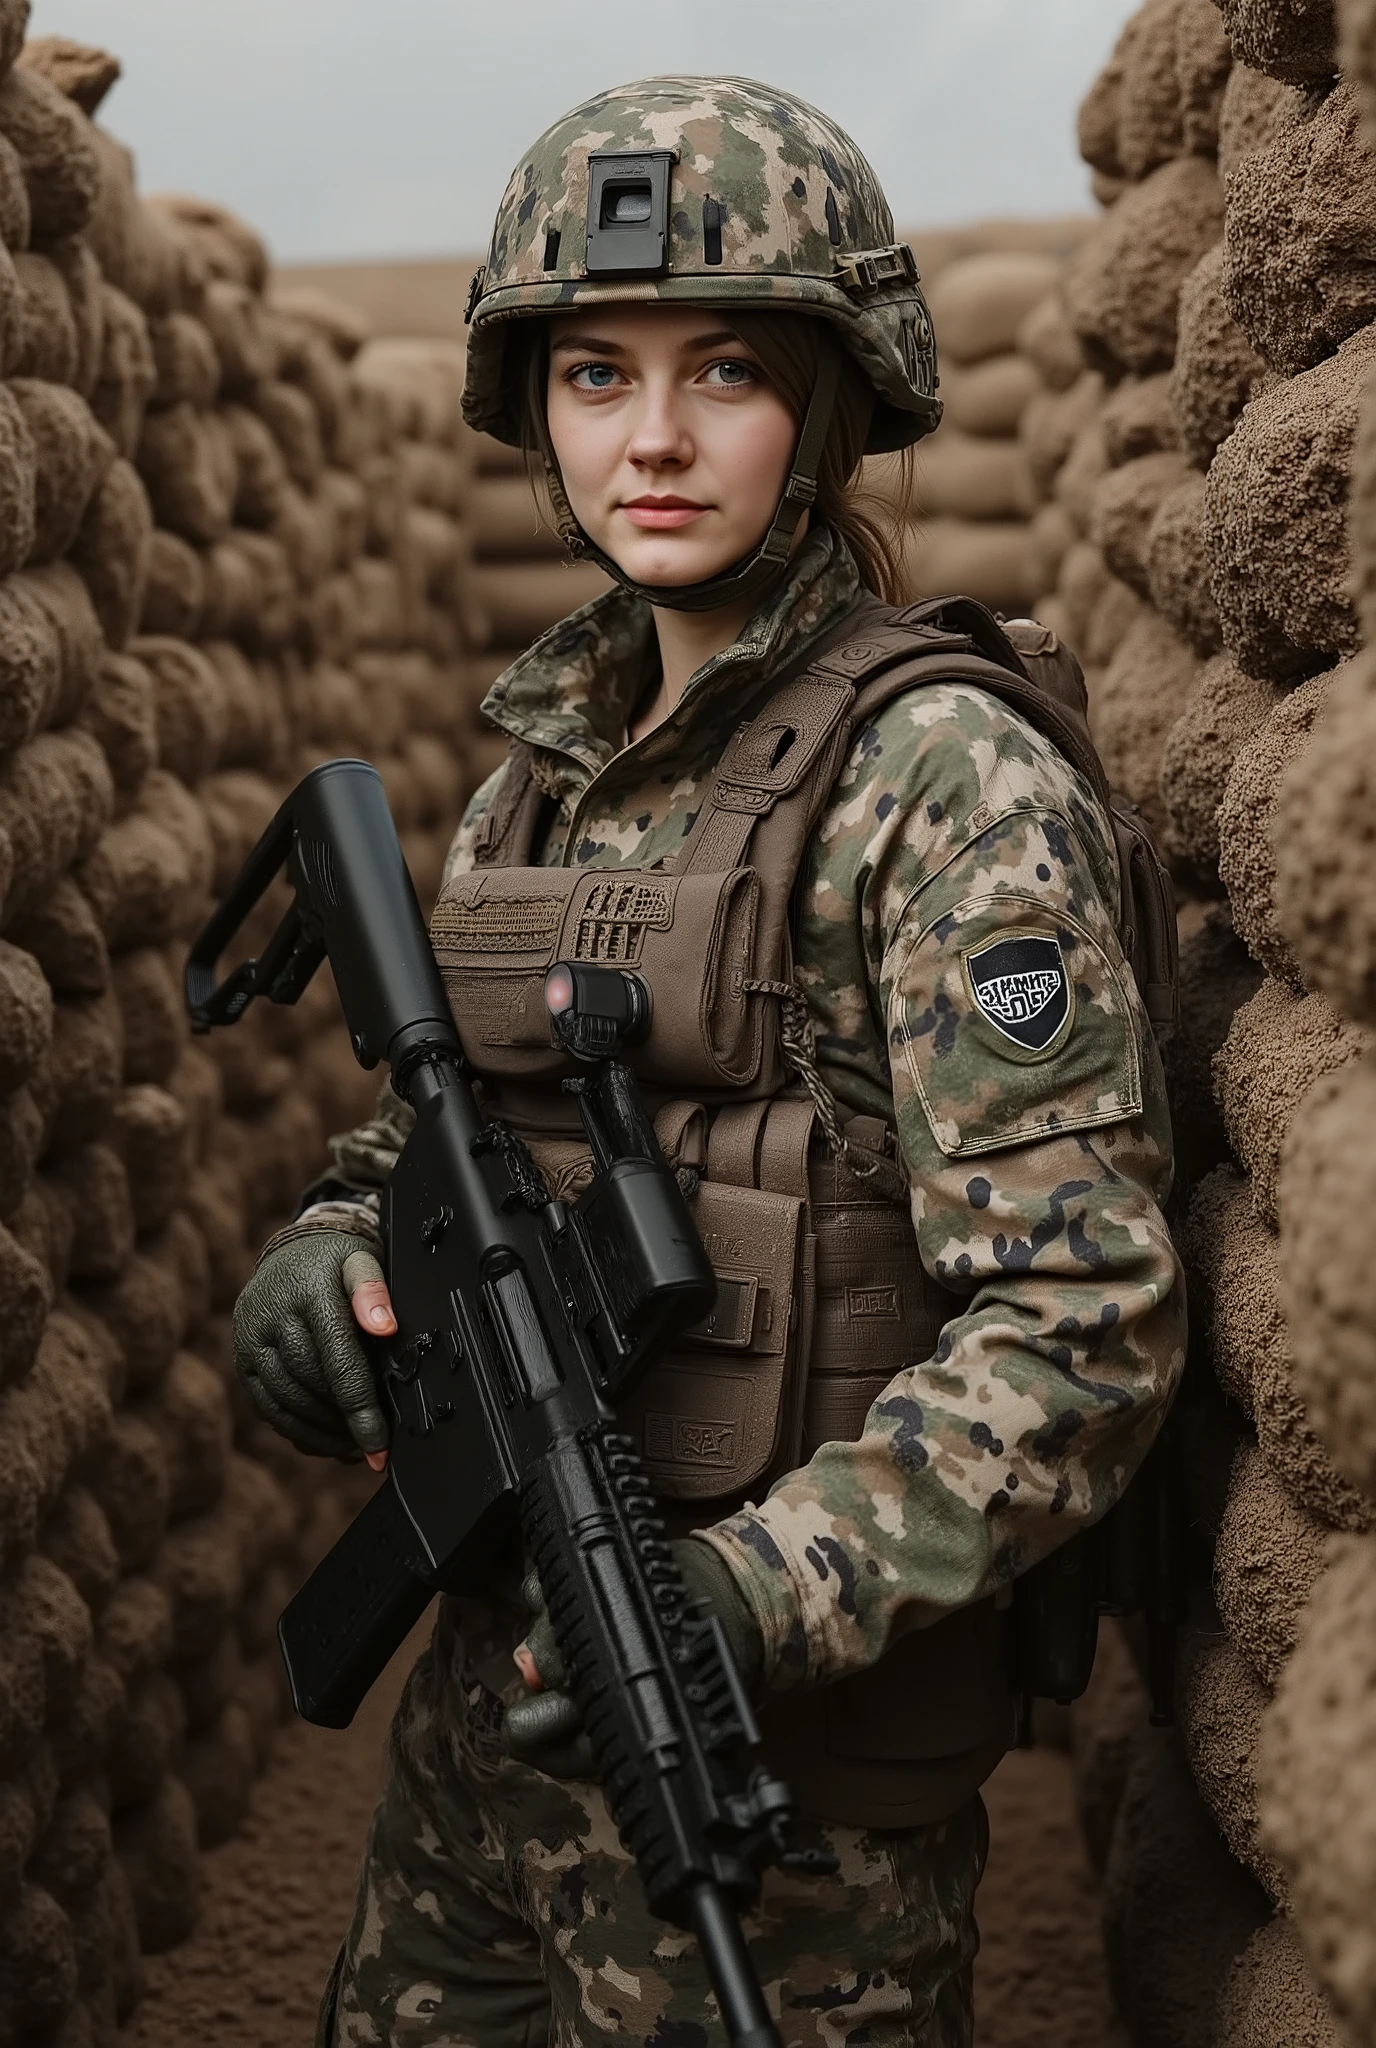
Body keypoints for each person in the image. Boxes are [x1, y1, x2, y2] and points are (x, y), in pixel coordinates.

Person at [232, 75, 1185, 2048]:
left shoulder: (945, 785)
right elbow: (431, 1143)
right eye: (595, 372)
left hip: (786, 1792)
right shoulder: (531, 789)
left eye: (724, 369)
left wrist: (750, 1597)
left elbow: (1081, 1323)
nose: (651, 436)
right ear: (534, 408)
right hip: (484, 1751)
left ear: (829, 404)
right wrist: (333, 1257)